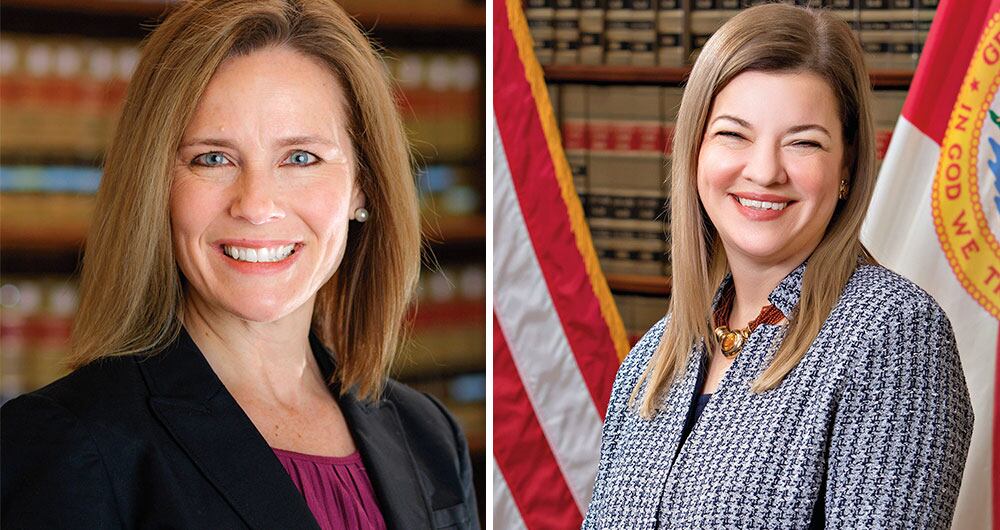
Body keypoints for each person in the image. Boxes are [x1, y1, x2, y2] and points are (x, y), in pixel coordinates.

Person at [0, 1, 479, 529]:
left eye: (300, 158)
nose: (255, 204)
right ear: (156, 186)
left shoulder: (428, 436)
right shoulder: (68, 443)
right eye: (212, 158)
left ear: (362, 186)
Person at [582, 4, 973, 529]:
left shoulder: (895, 334)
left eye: (803, 142)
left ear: (846, 168)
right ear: (695, 152)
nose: (765, 170)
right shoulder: (651, 363)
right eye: (733, 134)